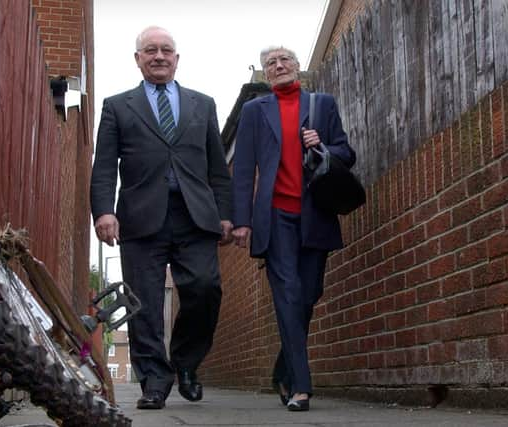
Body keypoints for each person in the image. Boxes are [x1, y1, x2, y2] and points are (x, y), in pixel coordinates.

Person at [90, 26, 233, 410]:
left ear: (177, 58)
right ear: (137, 58)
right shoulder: (117, 106)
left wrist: (225, 214)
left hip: (195, 217)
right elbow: (104, 165)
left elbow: (218, 168)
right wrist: (104, 210)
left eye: (166, 50)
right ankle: (155, 380)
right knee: (146, 304)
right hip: (140, 219)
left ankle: (186, 363)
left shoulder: (203, 104)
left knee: (205, 289)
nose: (158, 56)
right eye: (150, 50)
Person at [231, 46, 355, 411]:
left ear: (298, 68)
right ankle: (301, 386)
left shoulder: (322, 105)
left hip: (315, 210)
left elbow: (347, 153)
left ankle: (285, 366)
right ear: (266, 73)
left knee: (309, 293)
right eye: (271, 63)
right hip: (275, 215)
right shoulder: (255, 112)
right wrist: (241, 221)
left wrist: (323, 145)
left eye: (285, 60)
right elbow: (242, 171)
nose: (279, 66)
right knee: (287, 293)